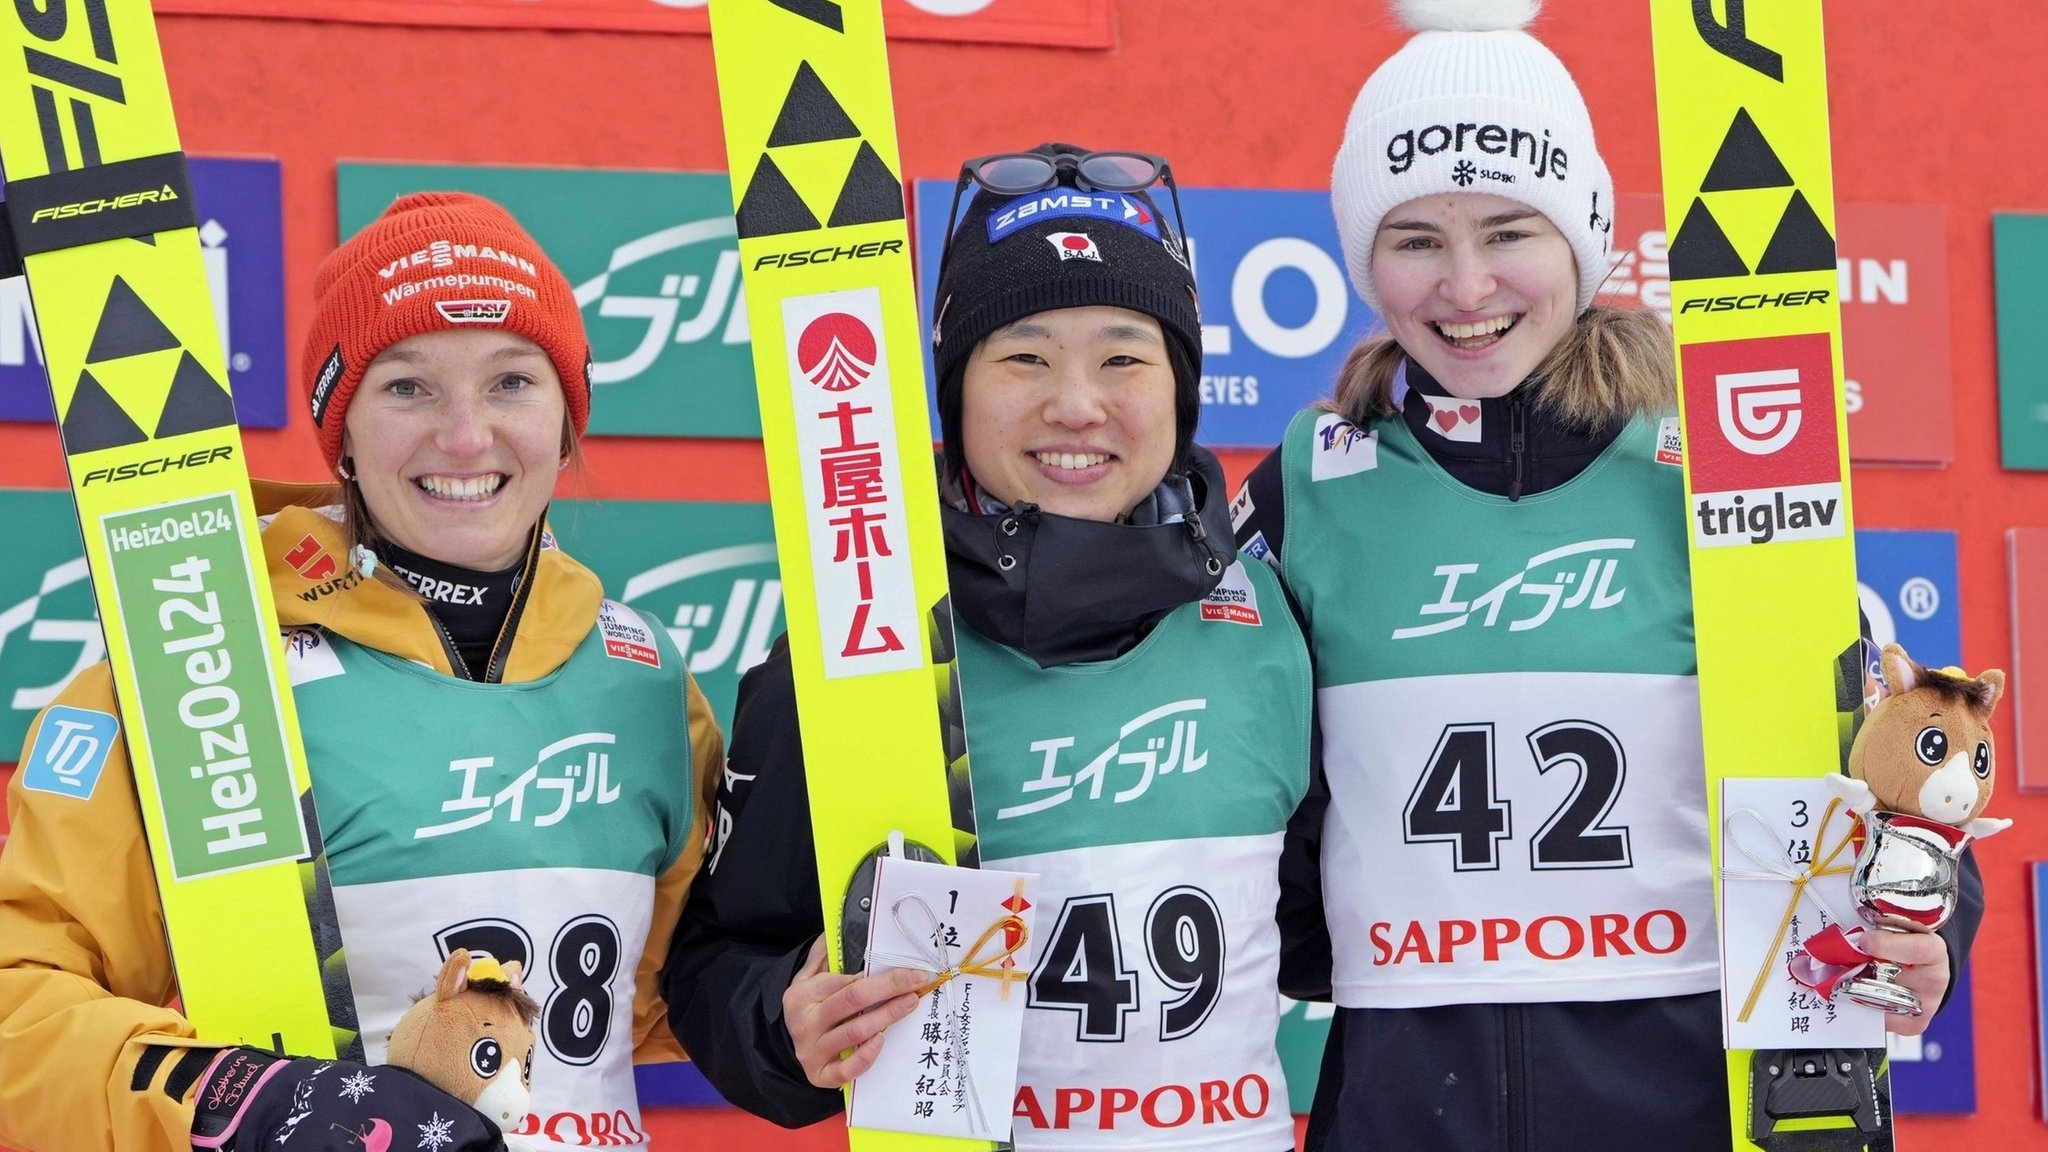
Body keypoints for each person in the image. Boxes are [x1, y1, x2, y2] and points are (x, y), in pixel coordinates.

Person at [1234, 3, 1984, 1149]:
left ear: (1579, 235)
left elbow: (1882, 762)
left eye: (1508, 233)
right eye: (1415, 240)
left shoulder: (1713, 468)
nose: (1465, 285)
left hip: (1694, 1101)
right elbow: (1228, 793)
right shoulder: (1308, 488)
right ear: (1364, 256)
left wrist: (1928, 924)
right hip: (1405, 1108)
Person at [0, 192, 723, 1152]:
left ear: (567, 417)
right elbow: (20, 1012)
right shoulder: (204, 665)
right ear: (338, 431)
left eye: (512, 381)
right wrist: (238, 1104)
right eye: (408, 387)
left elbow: (663, 1003)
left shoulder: (645, 680)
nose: (466, 437)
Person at [664, 143, 1311, 1150]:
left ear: (1182, 387)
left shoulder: (1264, 614)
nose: (1075, 405)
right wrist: (783, 1027)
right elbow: (719, 959)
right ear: (954, 391)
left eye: (1123, 356)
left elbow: (1323, 915)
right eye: (1022, 356)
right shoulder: (864, 637)